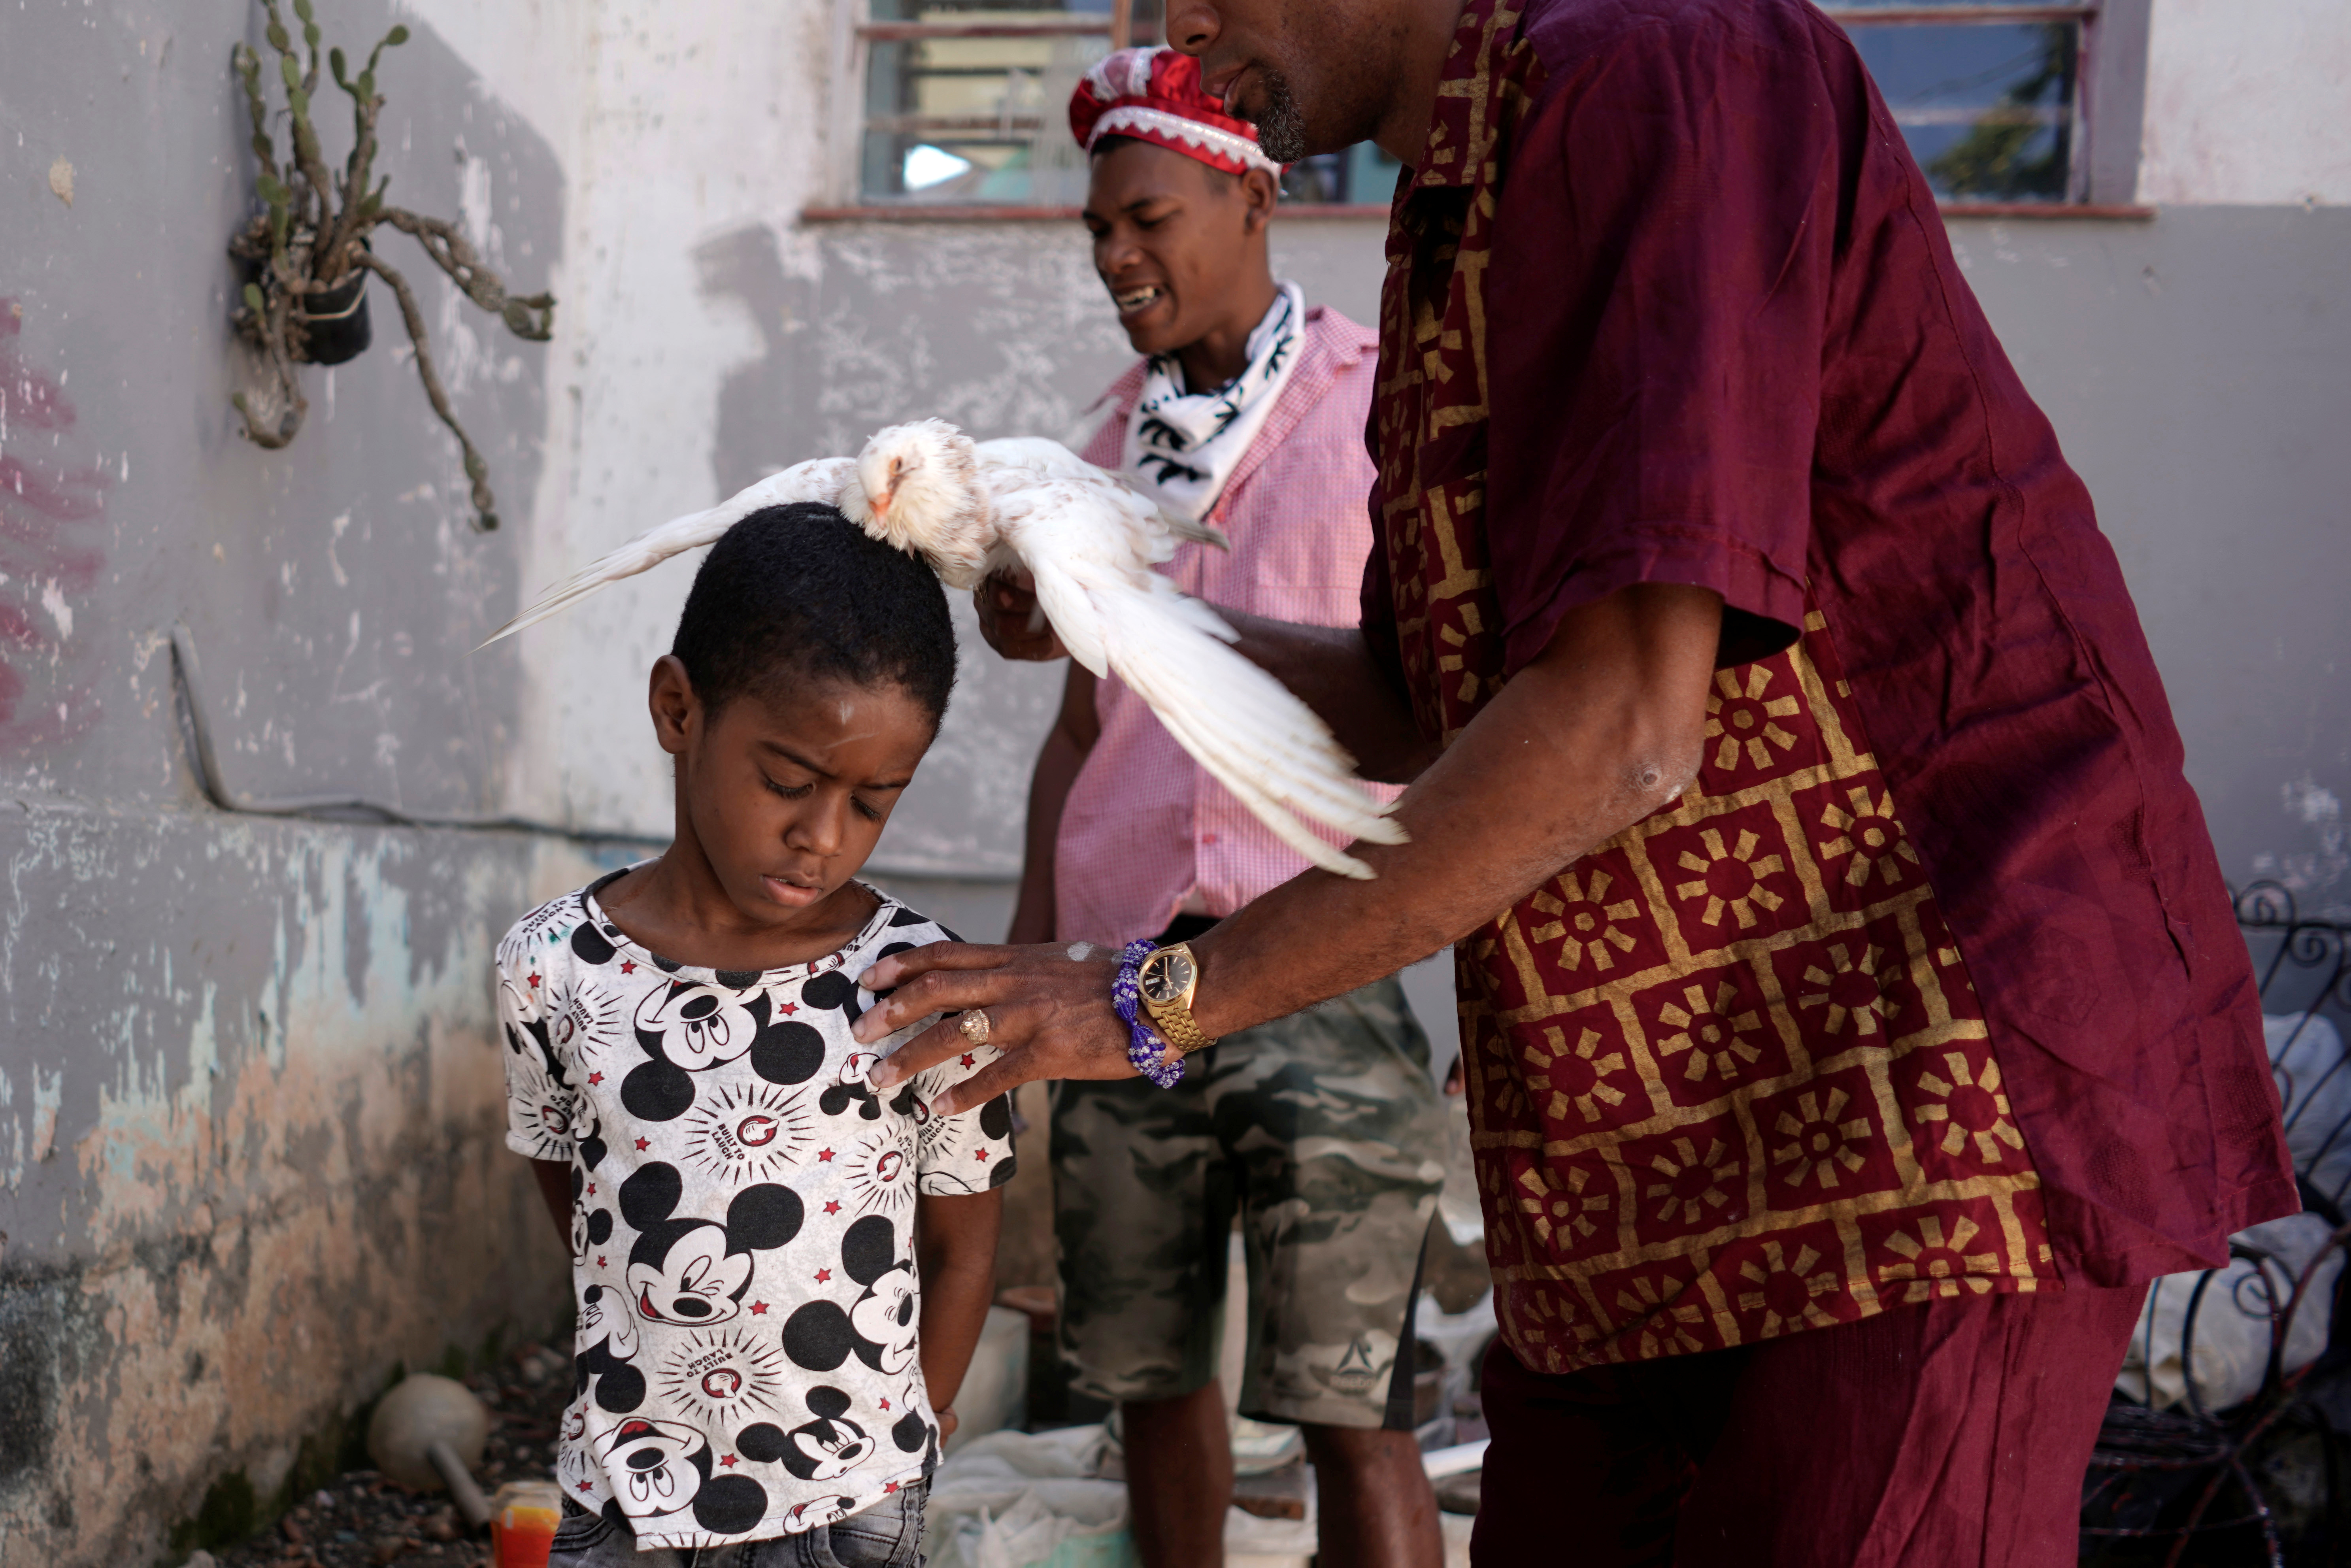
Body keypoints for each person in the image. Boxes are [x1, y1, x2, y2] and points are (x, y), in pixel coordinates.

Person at [850, 0, 2300, 1562]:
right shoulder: (1451, 204)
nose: (1180, 30)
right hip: (1656, 1139)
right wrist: (1115, 613)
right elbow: (1432, 704)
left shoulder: (1659, 58)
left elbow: (1619, 725)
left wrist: (1146, 999)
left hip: (1915, 1100)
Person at [1013, 47, 1443, 1568]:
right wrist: (1028, 993)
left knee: (1354, 1401)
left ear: (1252, 197)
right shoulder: (1088, 455)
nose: (1118, 259)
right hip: (1124, 968)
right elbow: (1078, 734)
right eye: (1099, 237)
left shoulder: (1384, 410)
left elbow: (1460, 702)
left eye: (1147, 221)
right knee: (1144, 1377)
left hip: (1321, 955)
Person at [497, 503, 1014, 1567]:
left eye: (873, 802)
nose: (822, 836)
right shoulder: (553, 967)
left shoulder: (921, 985)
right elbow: (582, 1195)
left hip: (849, 1501)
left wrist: (923, 1424)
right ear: (677, 710)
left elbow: (964, 1245)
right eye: (788, 782)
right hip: (624, 1492)